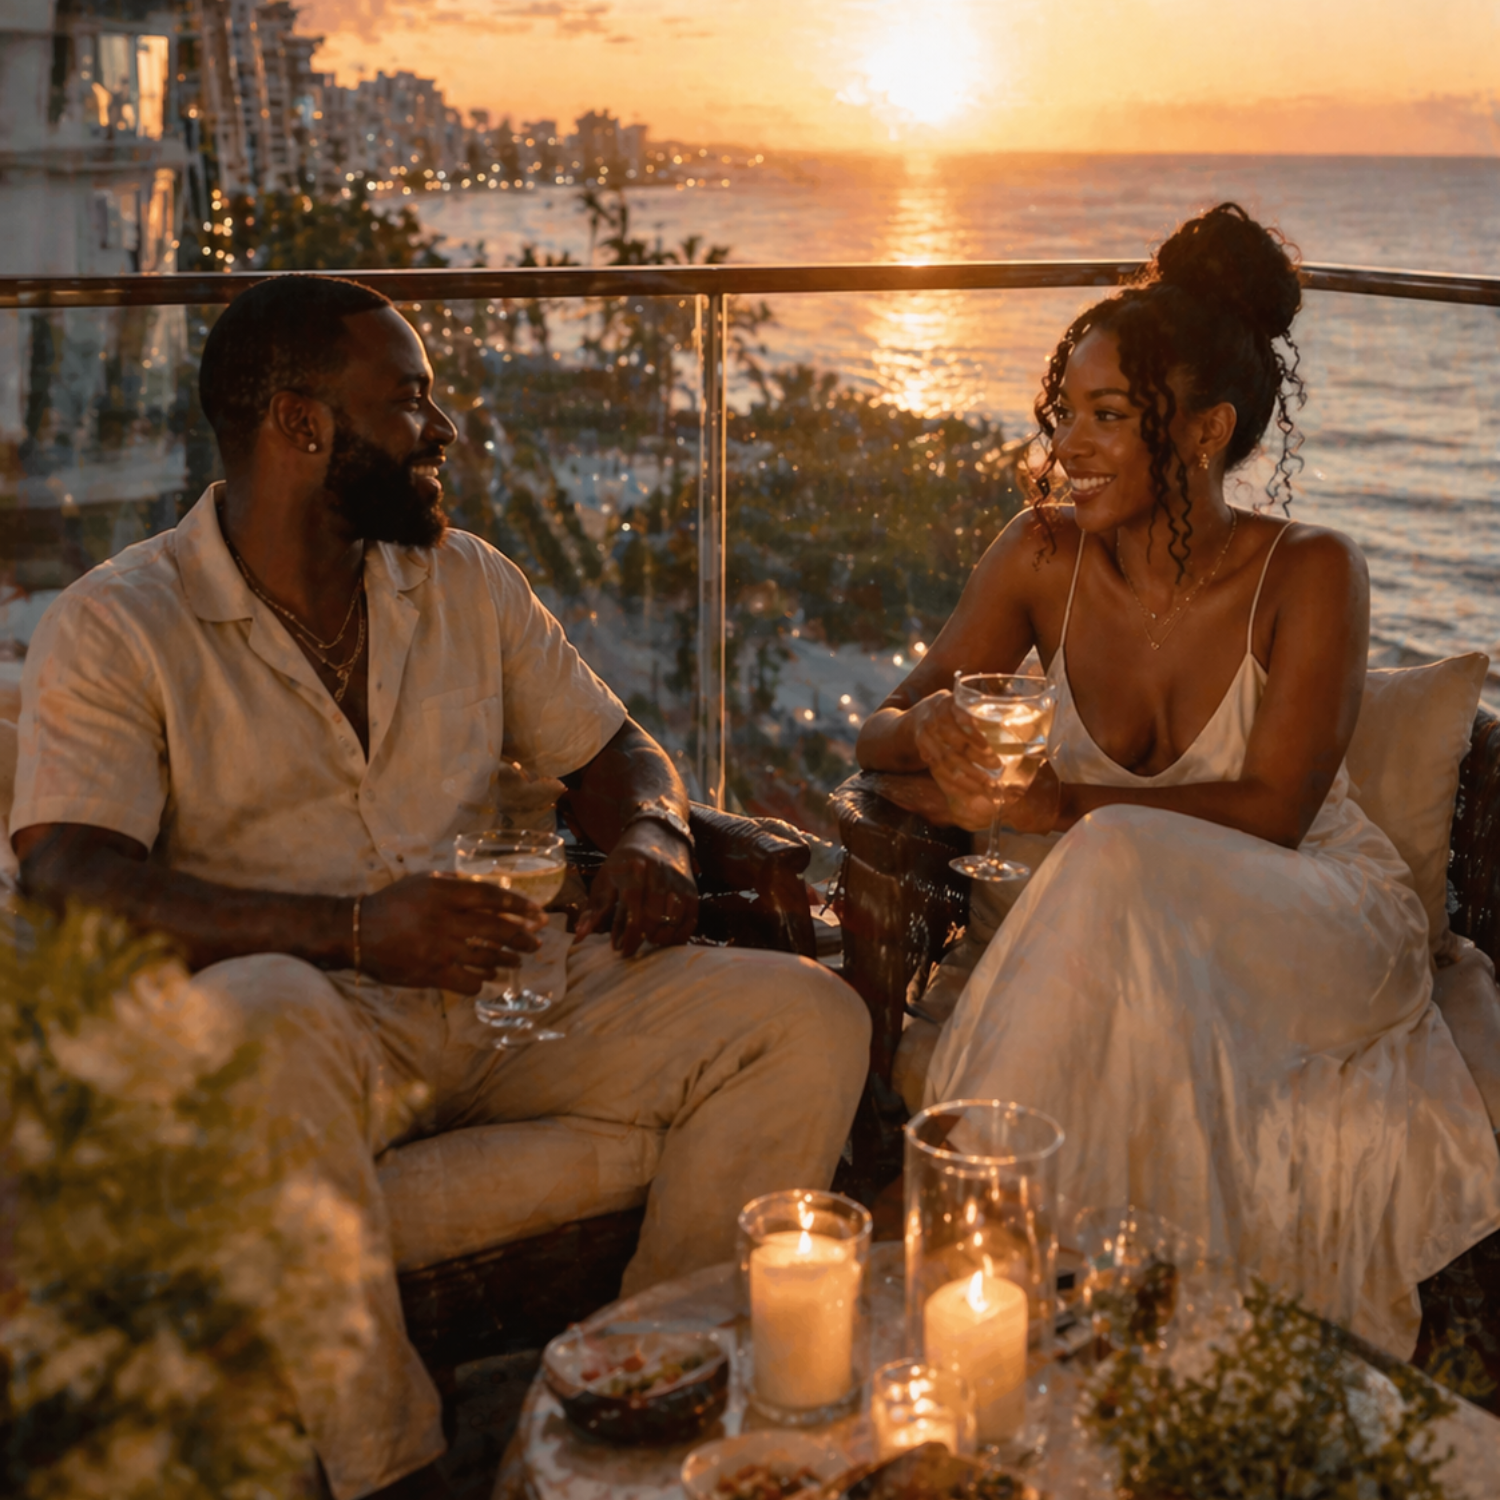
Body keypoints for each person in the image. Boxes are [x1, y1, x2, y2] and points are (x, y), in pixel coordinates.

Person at [10, 275, 870, 1500]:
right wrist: (358, 931)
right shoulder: (118, 626)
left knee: (808, 1017)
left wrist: (656, 841)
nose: (444, 430)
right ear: (304, 428)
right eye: (408, 401)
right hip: (308, 1031)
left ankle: (636, 1394)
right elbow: (68, 877)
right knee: (263, 1013)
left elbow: (618, 752)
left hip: (504, 990)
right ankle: (391, 1467)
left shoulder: (465, 580)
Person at [856, 203, 1500, 1357]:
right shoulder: (1039, 552)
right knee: (1109, 874)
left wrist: (1056, 806)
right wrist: (941, 718)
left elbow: (1275, 813)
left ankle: (961, 1256)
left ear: (1202, 432)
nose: (1072, 447)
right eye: (1066, 414)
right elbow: (879, 736)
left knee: (1104, 849)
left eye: (1111, 416)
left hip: (1315, 927)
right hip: (1125, 944)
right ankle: (1078, 1326)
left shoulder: (1310, 572)